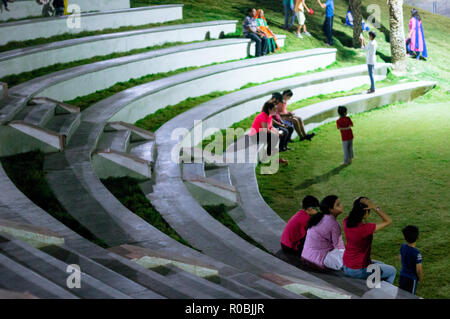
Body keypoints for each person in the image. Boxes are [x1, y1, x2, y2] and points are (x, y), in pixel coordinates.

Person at [342, 197, 396, 284]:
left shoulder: (346, 221)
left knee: (381, 264)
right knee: (392, 271)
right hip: (358, 269)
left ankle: (375, 286)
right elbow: (388, 221)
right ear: (366, 212)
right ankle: (382, 294)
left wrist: (358, 202)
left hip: (347, 265)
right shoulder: (365, 229)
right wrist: (374, 207)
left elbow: (355, 209)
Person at [301, 195, 346, 270]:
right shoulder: (333, 223)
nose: (341, 206)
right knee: (348, 259)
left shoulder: (320, 217)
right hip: (317, 259)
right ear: (331, 209)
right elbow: (338, 245)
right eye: (338, 205)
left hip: (306, 255)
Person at [399, 225, 424, 295]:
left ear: (404, 237)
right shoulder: (417, 253)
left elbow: (400, 258)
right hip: (411, 279)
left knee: (400, 295)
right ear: (417, 237)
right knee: (410, 296)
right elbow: (418, 269)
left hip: (402, 275)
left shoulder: (403, 246)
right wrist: (420, 278)